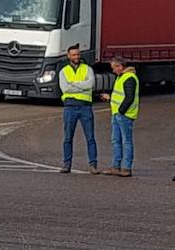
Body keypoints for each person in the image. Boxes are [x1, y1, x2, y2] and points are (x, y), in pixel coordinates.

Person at [59, 45, 98, 173]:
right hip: (70, 107)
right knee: (68, 138)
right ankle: (67, 164)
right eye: (74, 55)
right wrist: (82, 86)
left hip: (85, 106)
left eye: (78, 54)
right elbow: (65, 89)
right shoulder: (63, 71)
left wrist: (74, 85)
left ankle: (93, 165)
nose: (76, 57)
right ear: (68, 56)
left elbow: (90, 85)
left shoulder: (88, 69)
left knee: (90, 137)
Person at [99, 57, 138, 177]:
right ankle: (116, 166)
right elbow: (121, 95)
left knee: (126, 141)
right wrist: (110, 98)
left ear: (120, 66)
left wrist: (121, 111)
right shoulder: (121, 77)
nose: (113, 71)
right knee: (116, 140)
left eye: (114, 68)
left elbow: (129, 97)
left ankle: (126, 167)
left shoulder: (129, 78)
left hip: (124, 114)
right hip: (117, 113)